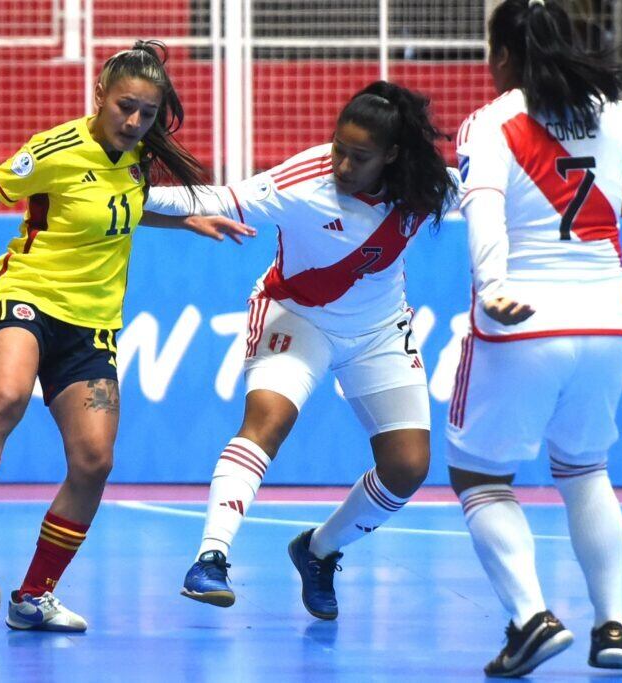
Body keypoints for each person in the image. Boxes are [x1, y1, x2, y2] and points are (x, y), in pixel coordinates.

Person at [0, 40, 251, 633]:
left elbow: (119, 202)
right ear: (100, 95)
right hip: (27, 294)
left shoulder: (137, 156)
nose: (134, 121)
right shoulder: (53, 151)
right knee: (8, 396)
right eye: (125, 107)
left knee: (94, 461)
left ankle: (33, 598)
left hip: (92, 326)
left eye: (147, 114)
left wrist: (184, 218)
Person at [144, 81, 458, 619]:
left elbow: (500, 187)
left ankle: (318, 551)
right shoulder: (304, 181)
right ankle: (211, 559)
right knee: (267, 420)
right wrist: (112, 190)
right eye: (338, 147)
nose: (341, 163)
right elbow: (215, 198)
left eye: (359, 157)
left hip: (380, 331)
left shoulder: (427, 185)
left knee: (407, 467)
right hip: (298, 316)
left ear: (392, 156)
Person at [446, 0, 622, 677]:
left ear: (500, 57)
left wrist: (493, 285)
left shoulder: (491, 123)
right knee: (585, 467)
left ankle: (531, 617)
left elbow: (482, 204)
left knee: (478, 472)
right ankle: (614, 625)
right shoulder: (618, 115)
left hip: (523, 315)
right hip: (608, 317)